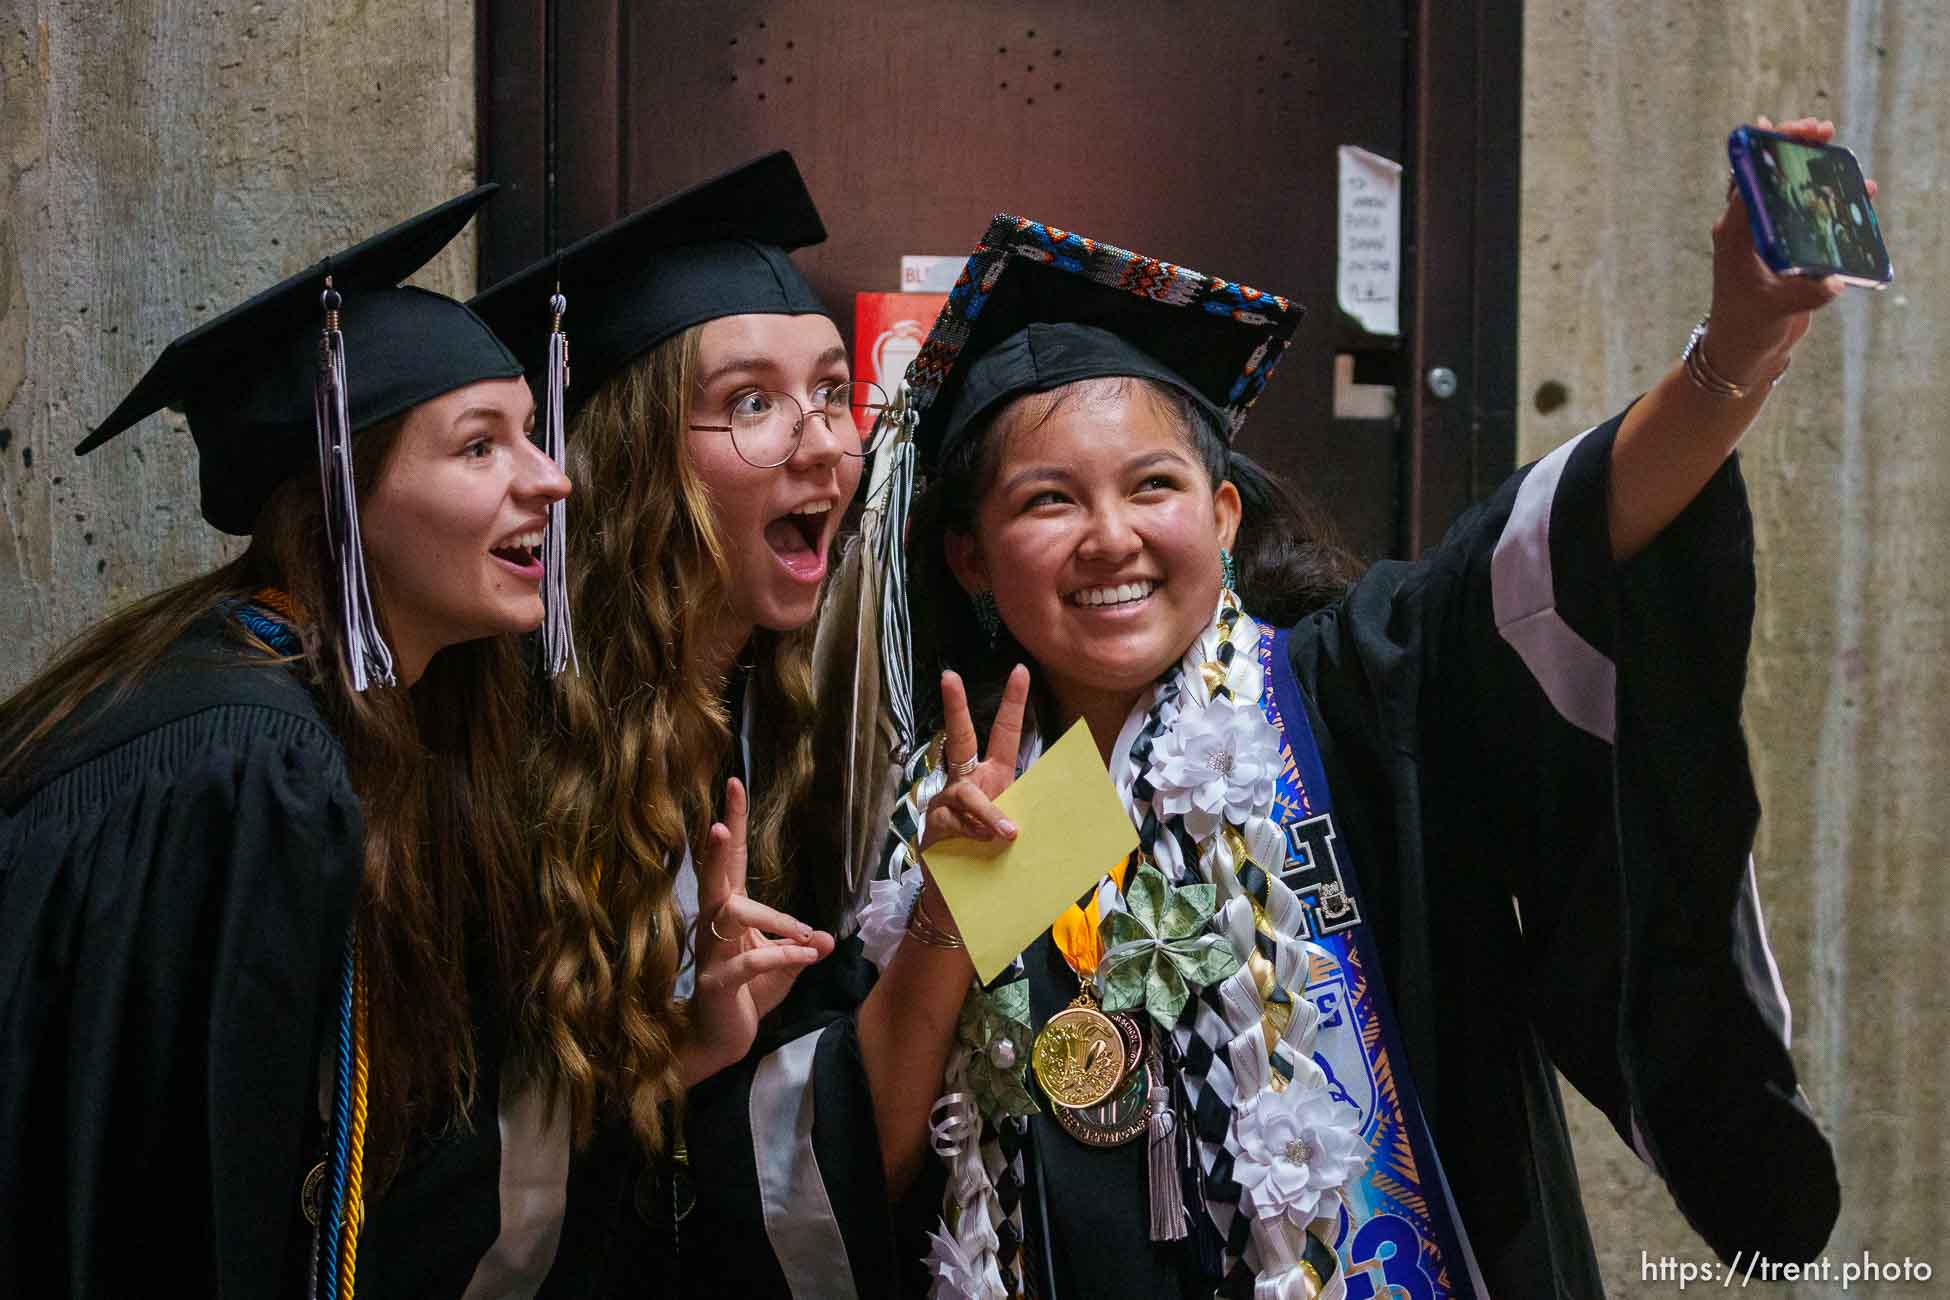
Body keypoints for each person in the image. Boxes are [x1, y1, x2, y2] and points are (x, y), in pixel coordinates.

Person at [724, 117, 1855, 1297]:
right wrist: (954, 908)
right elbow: (862, 1170)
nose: (1110, 537)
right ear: (969, 557)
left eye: (1152, 485)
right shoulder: (975, 817)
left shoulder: (1341, 699)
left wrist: (1737, 348)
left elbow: (1552, 552)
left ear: (1219, 516)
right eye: (1048, 501)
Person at [0, 187, 601, 1296]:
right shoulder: (249, 762)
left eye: (532, 431)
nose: (550, 477)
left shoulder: (351, 710)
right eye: (481, 447)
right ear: (341, 493)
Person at [469, 152, 879, 1283]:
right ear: (636, 457)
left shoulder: (790, 711)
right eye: (752, 402)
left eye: (834, 394)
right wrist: (682, 1053)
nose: (822, 444)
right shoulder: (500, 737)